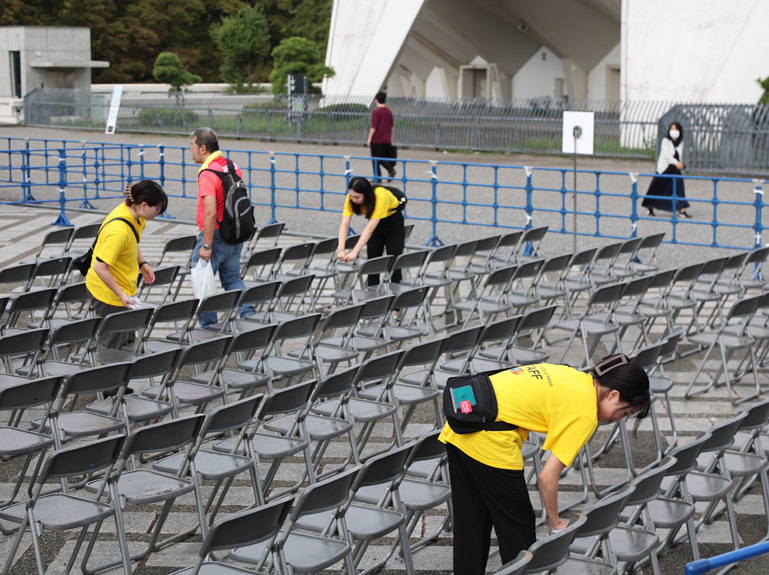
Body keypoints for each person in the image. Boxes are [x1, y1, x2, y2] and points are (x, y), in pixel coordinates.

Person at [439, 355, 651, 575]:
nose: (617, 419)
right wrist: (556, 522)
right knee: (518, 529)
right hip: (490, 439)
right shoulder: (585, 414)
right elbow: (547, 477)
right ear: (614, 395)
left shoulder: (573, 374)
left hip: (463, 421)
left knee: (472, 518)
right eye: (624, 412)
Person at [86, 179, 167, 350]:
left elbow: (132, 241)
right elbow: (100, 267)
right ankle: (107, 373)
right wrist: (121, 295)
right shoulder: (119, 231)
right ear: (144, 205)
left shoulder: (135, 216)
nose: (158, 213)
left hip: (123, 289)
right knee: (113, 344)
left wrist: (142, 262)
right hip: (108, 292)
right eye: (157, 209)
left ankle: (121, 373)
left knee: (127, 341)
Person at [190, 127, 255, 328]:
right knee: (233, 280)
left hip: (215, 236)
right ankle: (249, 314)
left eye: (192, 146)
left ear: (203, 148)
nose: (190, 150)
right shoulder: (231, 165)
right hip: (234, 232)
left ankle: (208, 329)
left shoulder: (208, 173)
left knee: (204, 286)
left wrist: (206, 246)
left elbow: (210, 212)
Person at [337, 177, 406, 287]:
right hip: (375, 224)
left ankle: (395, 298)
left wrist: (354, 252)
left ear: (366, 194)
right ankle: (372, 298)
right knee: (372, 263)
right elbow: (345, 223)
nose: (353, 199)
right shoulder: (351, 198)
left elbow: (370, 228)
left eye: (357, 197)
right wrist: (341, 249)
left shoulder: (380, 195)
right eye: (351, 195)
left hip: (393, 223)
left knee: (394, 264)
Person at [642, 122, 691, 218]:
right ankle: (649, 205)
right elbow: (667, 154)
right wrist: (676, 162)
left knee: (679, 189)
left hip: (675, 170)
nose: (674, 132)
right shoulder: (665, 141)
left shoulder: (680, 142)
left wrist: (680, 164)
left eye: (676, 129)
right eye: (672, 129)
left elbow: (678, 154)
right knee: (657, 188)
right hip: (664, 169)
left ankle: (681, 209)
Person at [367, 91, 396, 181]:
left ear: (376, 100)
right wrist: (390, 136)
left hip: (377, 139)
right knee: (382, 157)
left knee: (375, 158)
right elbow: (391, 126)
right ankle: (389, 170)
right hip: (387, 138)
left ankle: (378, 176)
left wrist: (369, 138)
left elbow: (374, 127)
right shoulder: (389, 111)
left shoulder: (376, 112)